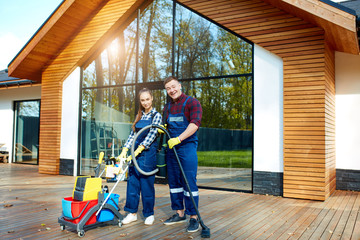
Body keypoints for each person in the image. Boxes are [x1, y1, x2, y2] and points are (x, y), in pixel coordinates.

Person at [162, 76, 202, 233]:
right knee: (174, 183)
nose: (172, 90)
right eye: (168, 89)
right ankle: (179, 213)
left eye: (173, 86)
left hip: (187, 147)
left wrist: (178, 139)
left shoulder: (192, 103)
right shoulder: (167, 107)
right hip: (172, 149)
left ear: (179, 85)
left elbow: (195, 124)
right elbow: (166, 125)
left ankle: (193, 217)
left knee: (189, 181)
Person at [117, 88, 162, 226]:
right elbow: (132, 135)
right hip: (134, 154)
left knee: (146, 185)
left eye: (147, 99)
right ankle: (132, 213)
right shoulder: (139, 116)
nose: (145, 102)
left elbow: (152, 135)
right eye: (142, 100)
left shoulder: (156, 116)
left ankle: (149, 214)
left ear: (152, 98)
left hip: (147, 155)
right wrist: (125, 150)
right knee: (133, 184)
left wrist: (139, 150)